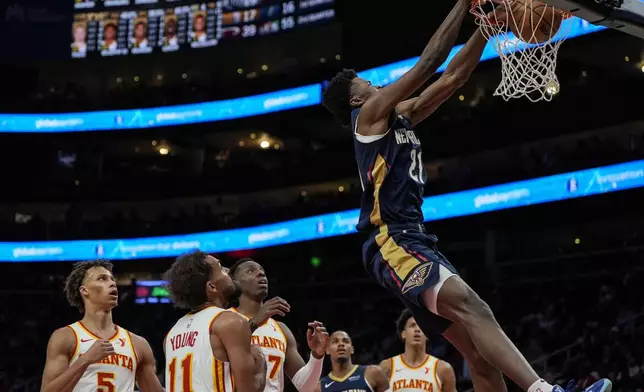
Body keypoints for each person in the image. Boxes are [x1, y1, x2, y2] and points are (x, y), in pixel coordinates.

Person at [321, 1, 612, 392]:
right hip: (391, 241)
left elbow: (452, 77)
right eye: (365, 83)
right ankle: (546, 390)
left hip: (413, 239)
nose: (373, 84)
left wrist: (487, 28)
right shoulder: (370, 115)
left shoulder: (396, 116)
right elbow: (430, 64)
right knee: (474, 305)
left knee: (478, 356)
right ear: (356, 100)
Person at [41, 259, 164, 392]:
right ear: (84, 291)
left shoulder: (138, 344)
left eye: (112, 279)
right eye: (102, 279)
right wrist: (85, 360)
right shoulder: (65, 337)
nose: (112, 283)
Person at [163, 250, 267, 392]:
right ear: (212, 286)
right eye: (221, 268)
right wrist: (260, 362)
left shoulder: (170, 335)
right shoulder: (230, 321)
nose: (228, 270)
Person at [228, 258, 329, 392]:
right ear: (236, 283)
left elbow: (305, 387)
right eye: (251, 271)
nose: (260, 273)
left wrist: (317, 356)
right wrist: (255, 321)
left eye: (262, 271)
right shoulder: (225, 319)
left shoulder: (281, 329)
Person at [380, 309, 456, 392]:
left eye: (421, 326)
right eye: (412, 325)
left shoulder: (443, 369)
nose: (417, 330)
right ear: (403, 334)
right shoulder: (387, 367)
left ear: (426, 335)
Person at [316, 331, 389, 392]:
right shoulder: (319, 387)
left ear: (352, 349)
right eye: (335, 342)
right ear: (327, 350)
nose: (341, 344)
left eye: (346, 341)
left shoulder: (373, 373)